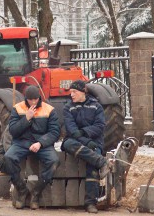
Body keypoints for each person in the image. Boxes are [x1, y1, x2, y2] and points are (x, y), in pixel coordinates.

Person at [3, 85, 60, 210]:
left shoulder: (49, 110)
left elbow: (54, 132)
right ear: (26, 99)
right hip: (22, 143)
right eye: (30, 100)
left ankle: (36, 192)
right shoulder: (17, 109)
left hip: (42, 144)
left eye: (36, 99)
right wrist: (26, 118)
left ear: (39, 97)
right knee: (8, 157)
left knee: (54, 161)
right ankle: (22, 190)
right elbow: (13, 131)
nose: (34, 102)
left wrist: (40, 143)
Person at [61, 80, 111, 214]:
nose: (71, 95)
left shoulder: (96, 106)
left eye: (74, 92)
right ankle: (101, 162)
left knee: (92, 169)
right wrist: (85, 141)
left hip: (94, 142)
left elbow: (100, 127)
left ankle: (90, 203)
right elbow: (72, 130)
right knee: (67, 144)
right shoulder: (68, 107)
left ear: (83, 92)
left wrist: (84, 134)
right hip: (75, 141)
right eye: (70, 92)